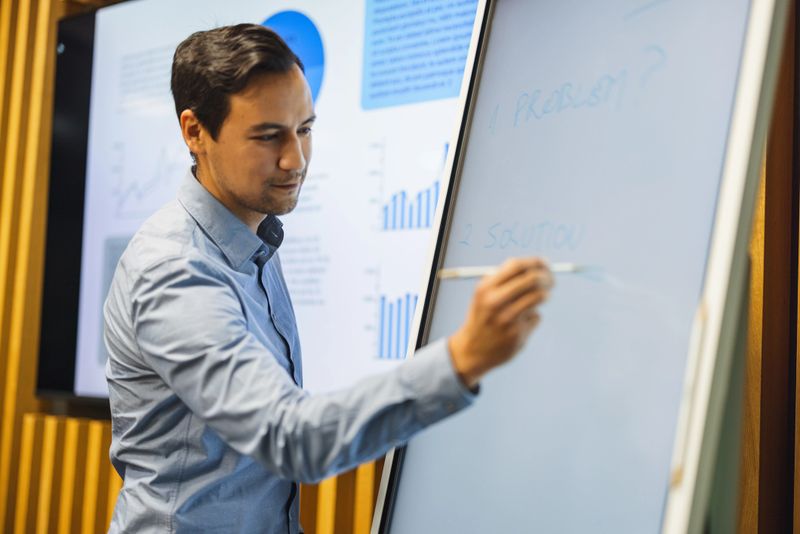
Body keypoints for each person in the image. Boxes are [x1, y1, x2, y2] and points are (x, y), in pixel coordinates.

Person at [104, 23, 553, 534]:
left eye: (305, 129)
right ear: (194, 131)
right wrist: (462, 358)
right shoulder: (175, 270)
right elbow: (290, 439)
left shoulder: (254, 240)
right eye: (268, 135)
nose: (295, 159)